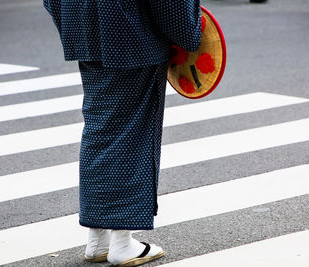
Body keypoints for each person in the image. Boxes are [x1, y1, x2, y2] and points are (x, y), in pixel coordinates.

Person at [43, 0, 202, 266]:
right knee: (132, 135)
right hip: (132, 37)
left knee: (102, 129)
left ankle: (99, 239)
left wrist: (76, 25)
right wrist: (189, 35)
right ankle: (121, 243)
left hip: (85, 31)